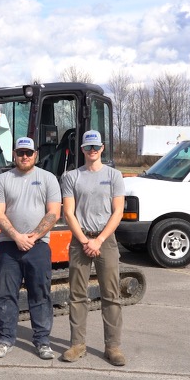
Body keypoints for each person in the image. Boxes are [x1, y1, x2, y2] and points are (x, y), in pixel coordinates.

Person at [0, 137, 62, 360]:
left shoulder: (48, 179)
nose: (24, 156)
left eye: (28, 153)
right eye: (20, 153)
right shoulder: (2, 180)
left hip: (38, 246)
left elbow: (53, 213)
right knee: (5, 294)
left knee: (40, 293)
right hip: (8, 246)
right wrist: (16, 236)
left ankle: (42, 341)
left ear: (35, 154)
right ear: (14, 154)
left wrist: (33, 236)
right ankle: (5, 339)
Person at [60, 130, 128, 366]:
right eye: (88, 147)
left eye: (96, 147)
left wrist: (99, 240)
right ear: (82, 150)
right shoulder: (71, 177)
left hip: (106, 240)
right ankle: (77, 344)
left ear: (103, 148)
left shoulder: (114, 176)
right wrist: (85, 240)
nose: (92, 151)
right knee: (77, 295)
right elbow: (68, 212)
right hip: (80, 240)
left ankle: (113, 347)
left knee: (111, 295)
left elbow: (118, 211)